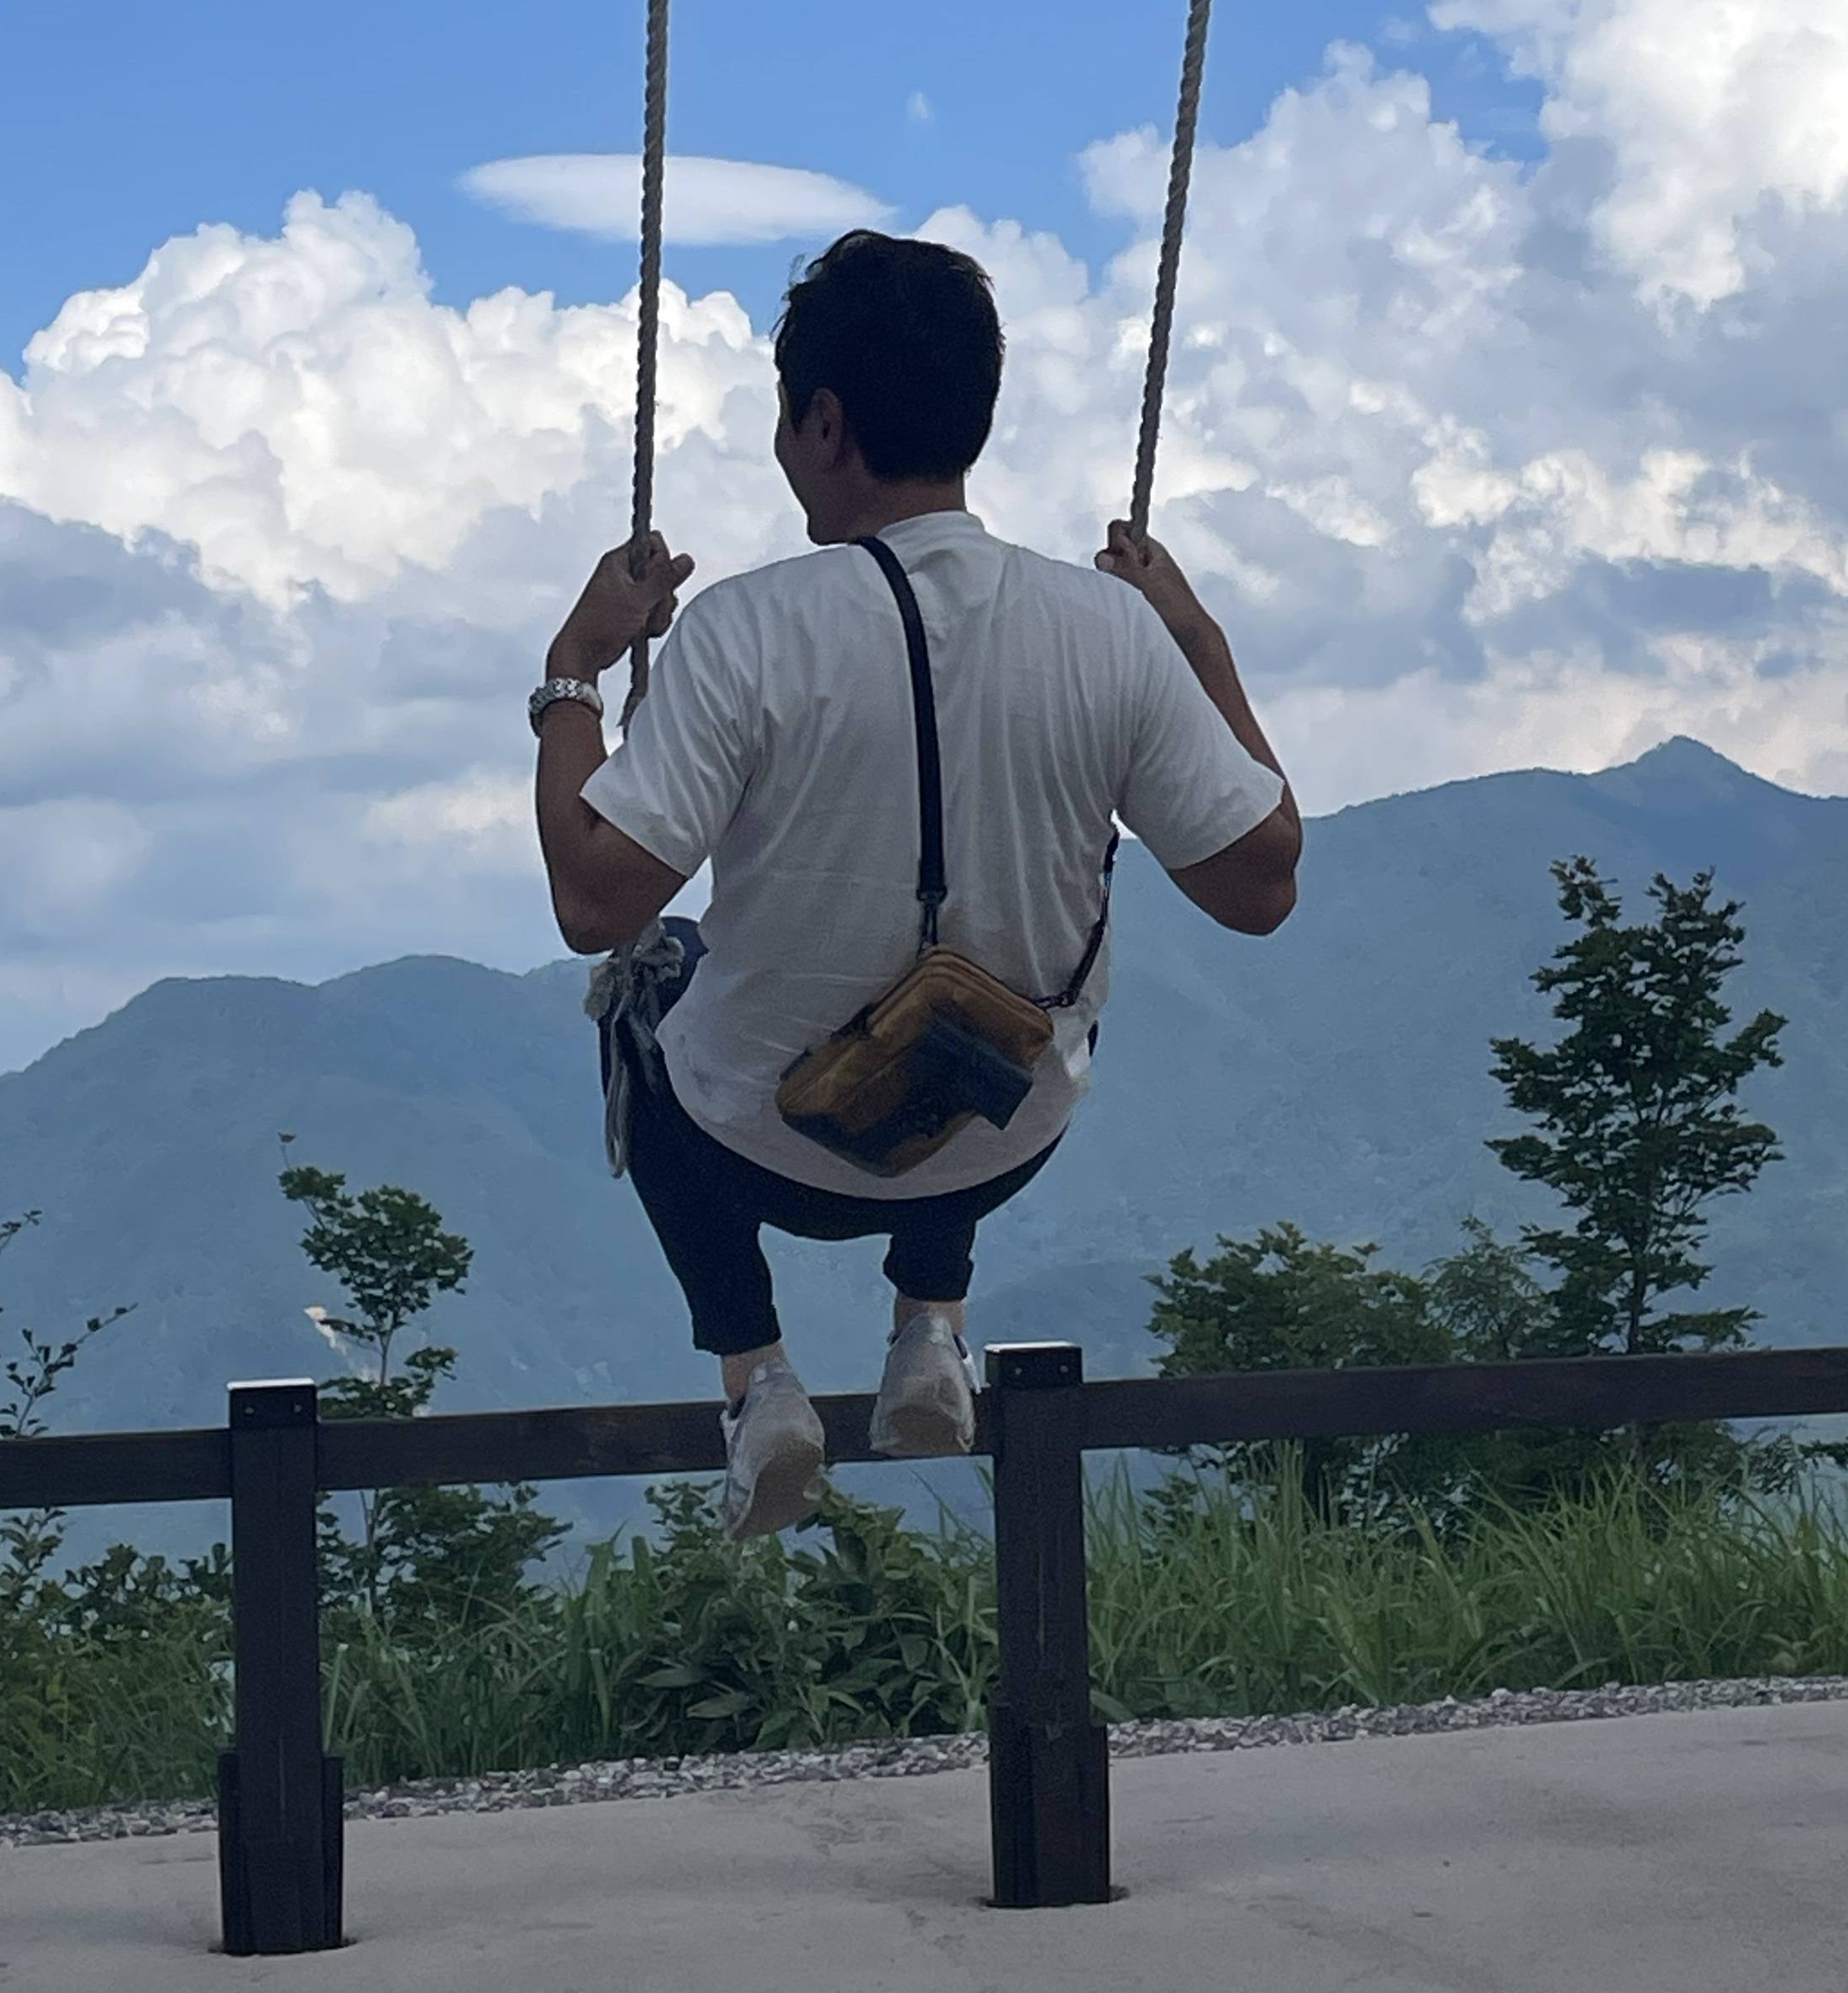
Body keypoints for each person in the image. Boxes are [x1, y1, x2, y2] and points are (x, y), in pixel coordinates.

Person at [531, 228, 1300, 1537]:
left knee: (635, 994)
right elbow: (1261, 882)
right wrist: (1198, 641)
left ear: (824, 423)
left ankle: (756, 1377)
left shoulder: (747, 629)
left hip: (759, 1150)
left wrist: (572, 678)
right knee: (1049, 956)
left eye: (786, 424)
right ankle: (929, 1327)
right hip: (997, 1137)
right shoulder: (1107, 631)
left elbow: (595, 905)